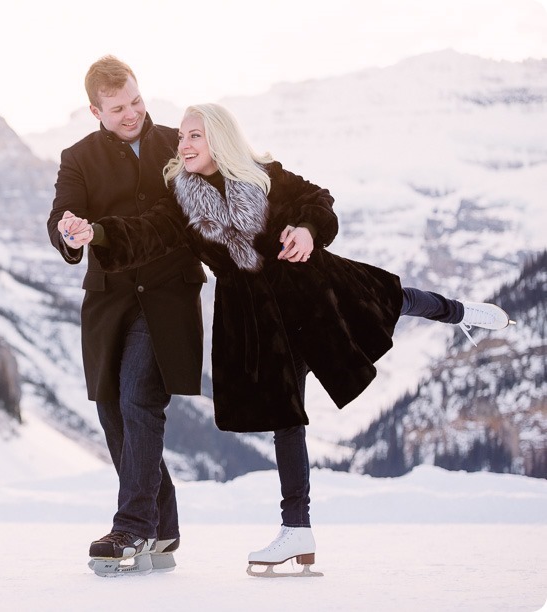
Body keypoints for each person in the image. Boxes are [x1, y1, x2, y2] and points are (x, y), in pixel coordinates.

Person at [70, 102, 514, 577]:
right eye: (181, 137)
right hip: (258, 321)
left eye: (195, 135)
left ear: (219, 137)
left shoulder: (265, 176)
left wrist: (306, 229)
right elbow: (144, 234)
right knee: (287, 416)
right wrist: (93, 233)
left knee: (390, 299)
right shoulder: (180, 198)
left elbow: (317, 200)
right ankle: (297, 529)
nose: (184, 144)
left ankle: (462, 312)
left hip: (310, 290)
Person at [46, 57, 208, 576]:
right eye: (118, 109)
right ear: (95, 109)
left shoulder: (175, 143)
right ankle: (165, 525)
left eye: (137, 101)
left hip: (166, 296)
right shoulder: (78, 157)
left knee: (140, 395)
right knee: (112, 409)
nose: (132, 113)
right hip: (110, 301)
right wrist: (70, 232)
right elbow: (62, 216)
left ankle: (132, 527)